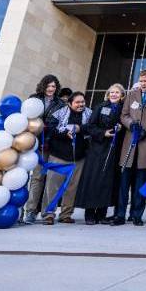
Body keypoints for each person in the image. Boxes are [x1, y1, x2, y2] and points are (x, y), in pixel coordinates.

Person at [113, 69, 146, 226]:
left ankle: (136, 215)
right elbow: (124, 115)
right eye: (140, 81)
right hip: (130, 143)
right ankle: (120, 215)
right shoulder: (131, 94)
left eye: (145, 81)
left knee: (140, 184)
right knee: (124, 184)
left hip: (145, 144)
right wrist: (131, 124)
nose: (142, 83)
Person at [75, 83, 126, 225]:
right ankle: (90, 214)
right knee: (94, 180)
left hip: (114, 150)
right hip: (97, 149)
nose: (114, 94)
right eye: (111, 92)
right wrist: (103, 133)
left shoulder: (124, 110)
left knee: (107, 182)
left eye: (117, 92)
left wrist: (120, 127)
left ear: (122, 95)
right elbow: (90, 126)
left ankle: (102, 214)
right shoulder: (100, 107)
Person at [42, 92, 92, 224]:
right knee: (53, 187)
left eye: (83, 102)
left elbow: (92, 128)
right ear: (70, 103)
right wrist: (65, 133)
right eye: (77, 102)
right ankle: (48, 214)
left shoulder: (89, 114)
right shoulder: (59, 113)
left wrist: (79, 128)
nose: (81, 104)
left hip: (78, 158)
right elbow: (51, 129)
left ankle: (66, 214)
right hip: (59, 156)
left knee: (71, 188)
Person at [24, 74, 66, 224]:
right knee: (37, 177)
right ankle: (30, 211)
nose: (51, 89)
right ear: (43, 86)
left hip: (52, 145)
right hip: (35, 145)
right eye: (48, 86)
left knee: (51, 179)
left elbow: (61, 124)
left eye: (53, 86)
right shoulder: (33, 99)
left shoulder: (61, 104)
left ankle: (47, 213)